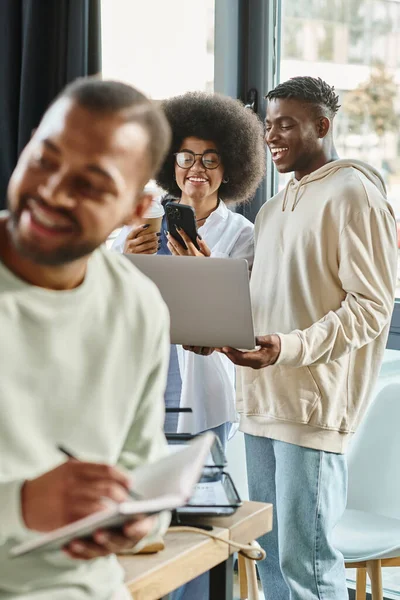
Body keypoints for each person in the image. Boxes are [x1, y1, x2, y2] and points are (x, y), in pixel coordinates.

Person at [220, 76, 398, 599]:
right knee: (272, 563)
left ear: (322, 126)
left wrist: (288, 347)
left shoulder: (355, 194)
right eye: (267, 126)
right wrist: (217, 331)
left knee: (310, 567)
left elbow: (370, 308)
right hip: (260, 402)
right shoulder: (273, 208)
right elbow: (265, 301)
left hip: (312, 408)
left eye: (287, 125)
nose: (272, 136)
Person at [0, 78, 173, 600]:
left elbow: (144, 474)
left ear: (135, 210)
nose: (52, 192)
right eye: (44, 161)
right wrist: (20, 506)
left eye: (91, 184)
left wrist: (139, 520)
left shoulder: (139, 307)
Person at [113, 91, 266, 449]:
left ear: (230, 168)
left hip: (202, 393)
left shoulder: (244, 236)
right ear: (172, 163)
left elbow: (243, 316)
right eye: (187, 157)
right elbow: (102, 290)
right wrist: (125, 254)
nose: (197, 168)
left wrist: (204, 271)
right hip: (142, 384)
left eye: (211, 160)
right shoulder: (141, 220)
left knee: (200, 500)